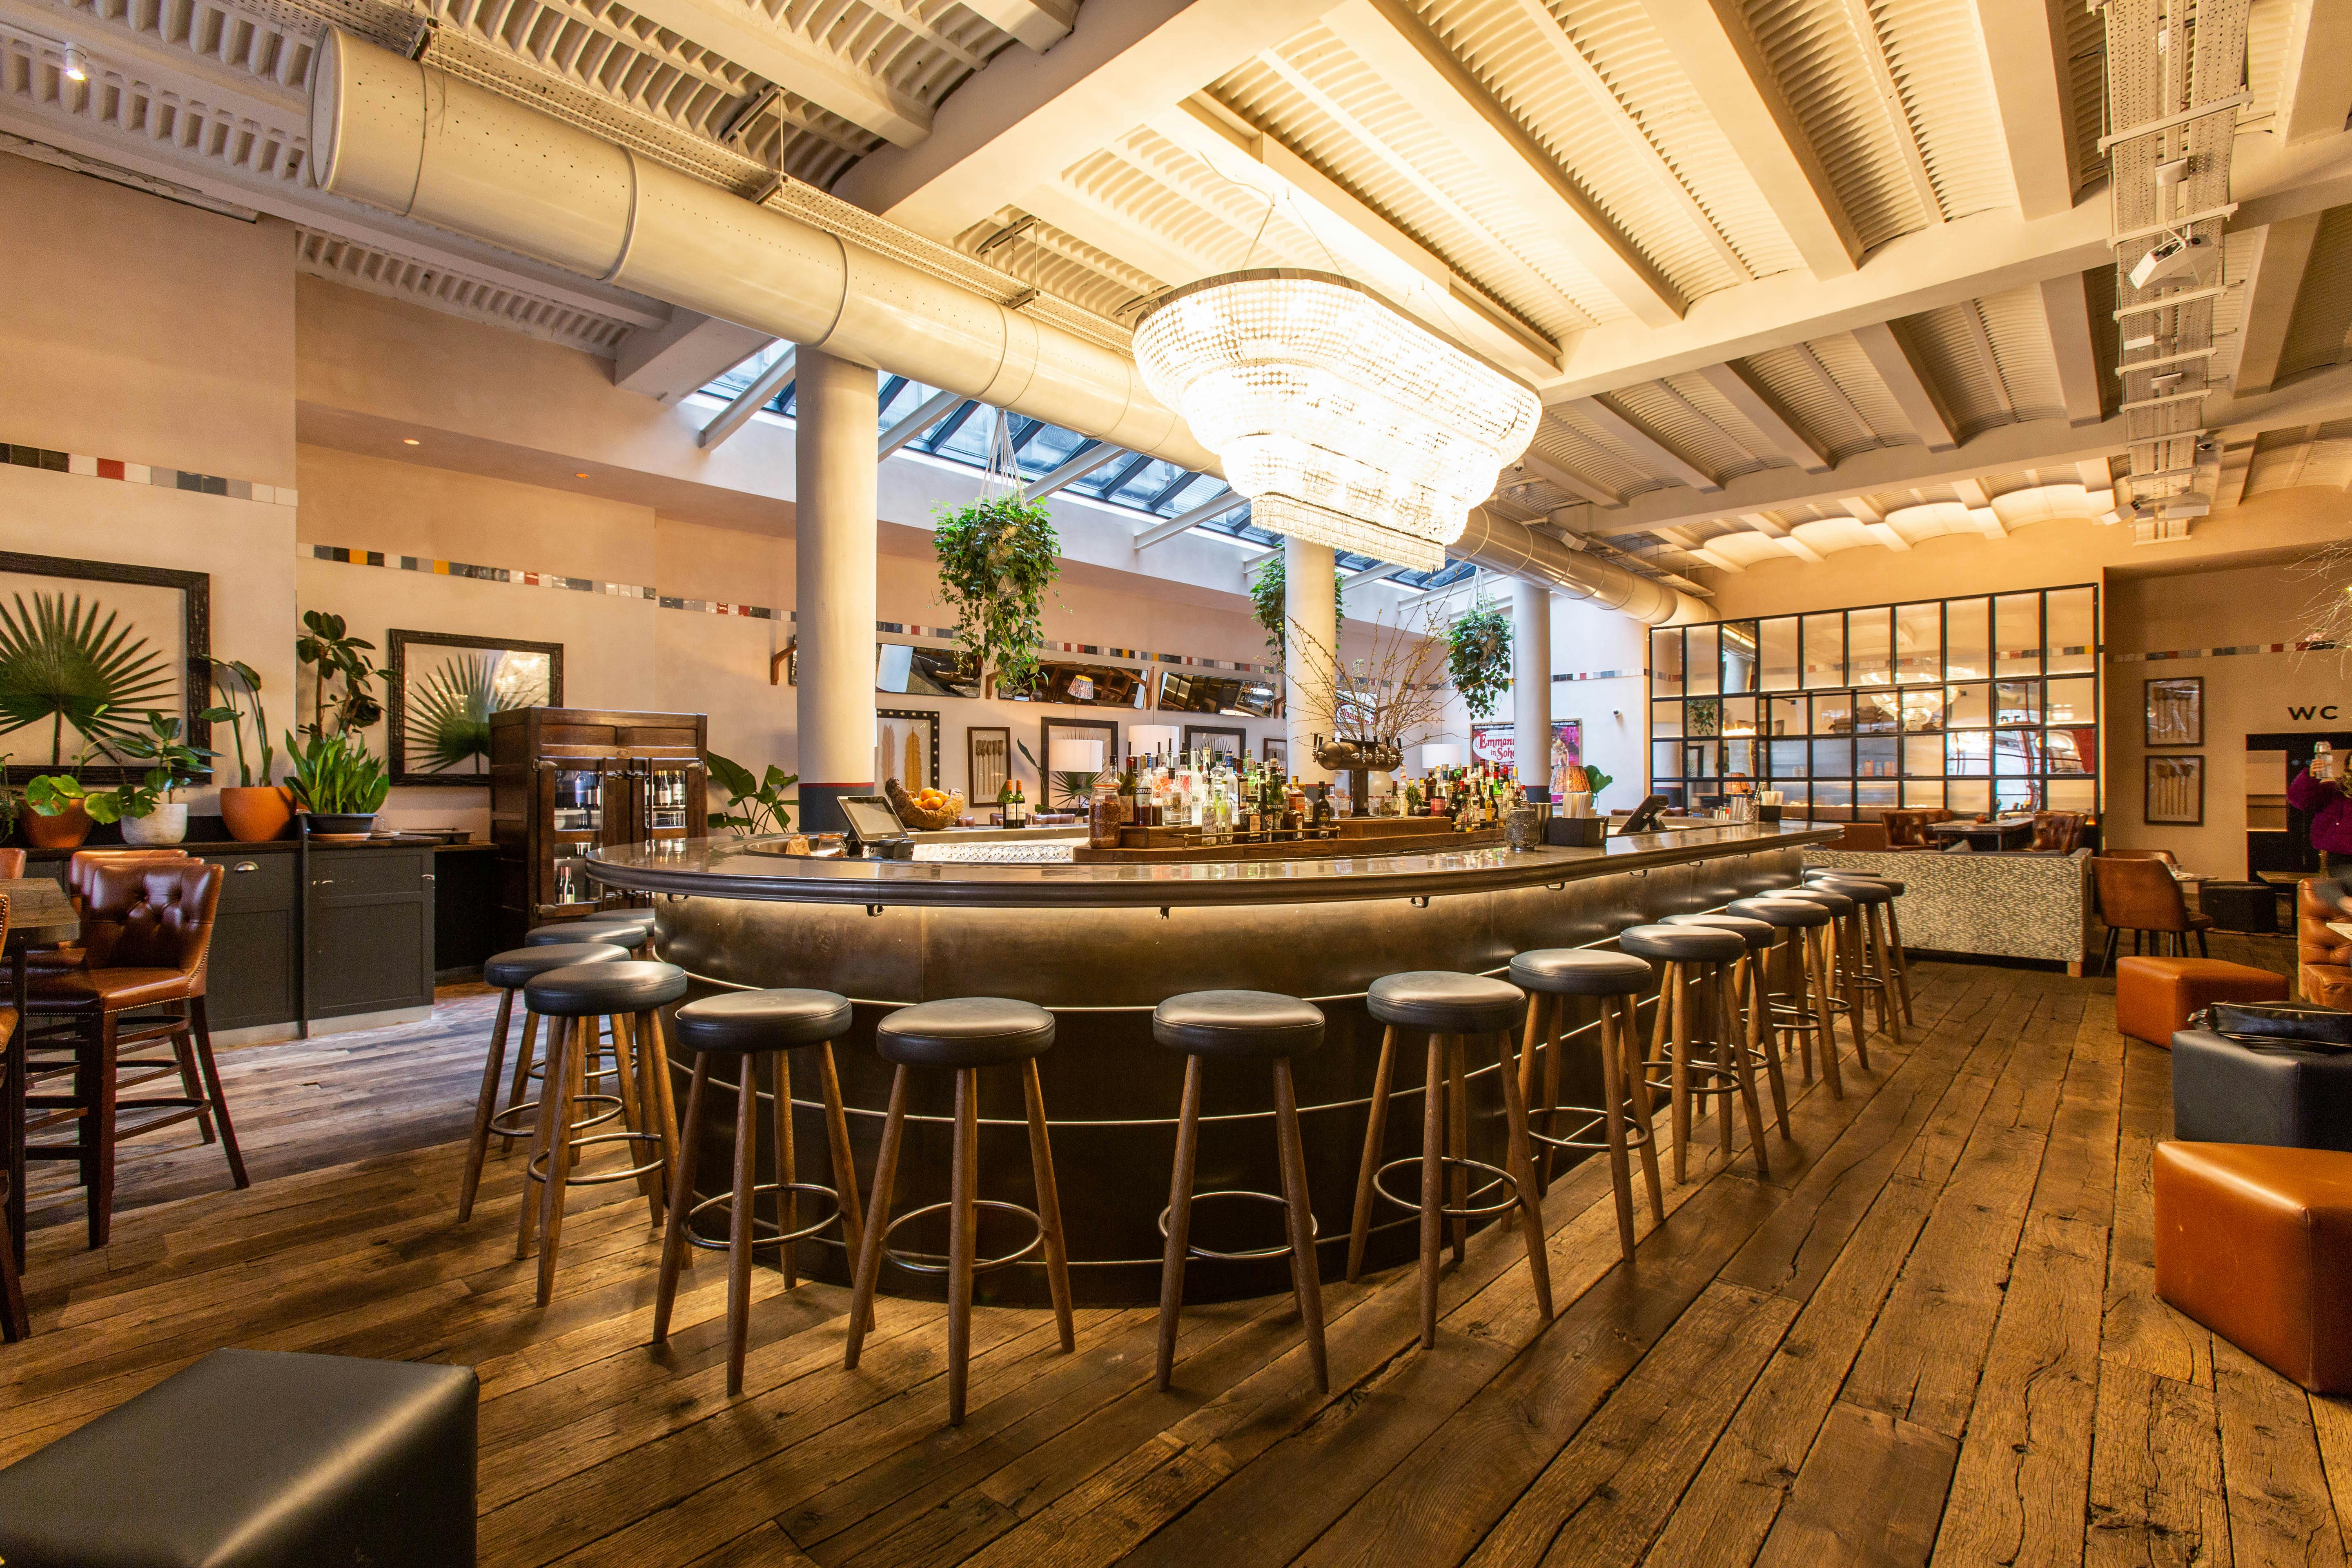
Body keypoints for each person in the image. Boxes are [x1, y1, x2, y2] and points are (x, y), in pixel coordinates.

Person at [2287, 746, 2352, 876]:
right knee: (2339, 893)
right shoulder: (2334, 790)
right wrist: (2311, 776)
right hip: (2339, 854)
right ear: (2349, 766)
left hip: (2338, 851)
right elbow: (2300, 800)